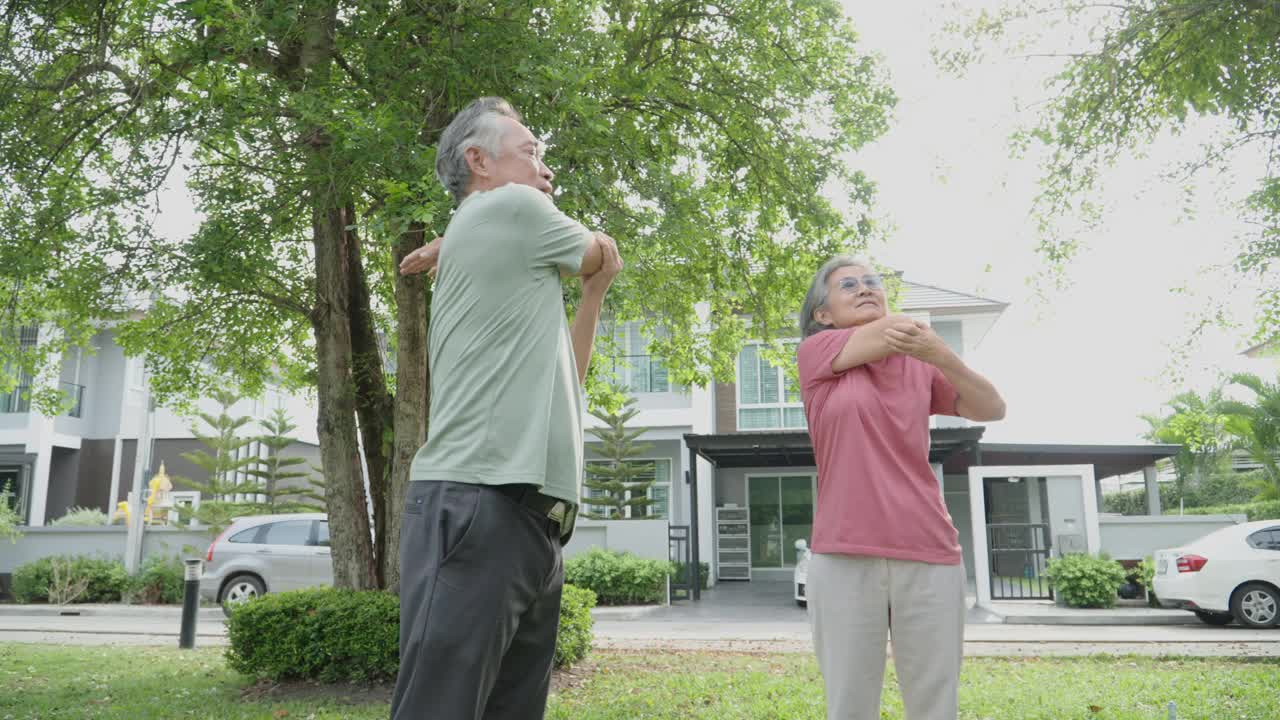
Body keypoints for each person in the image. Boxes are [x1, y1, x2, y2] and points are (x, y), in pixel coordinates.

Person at [392, 96, 621, 720]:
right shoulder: (515, 209)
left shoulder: (509, 247)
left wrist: (591, 301)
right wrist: (596, 255)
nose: (546, 171)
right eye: (531, 153)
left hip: (529, 518)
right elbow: (602, 251)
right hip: (479, 501)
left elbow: (567, 384)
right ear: (478, 160)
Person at [796, 256, 1006, 720]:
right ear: (822, 314)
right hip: (843, 553)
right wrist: (918, 334)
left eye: (873, 281)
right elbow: (890, 332)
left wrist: (939, 354)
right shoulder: (817, 353)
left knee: (935, 704)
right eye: (848, 284)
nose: (866, 288)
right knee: (849, 705)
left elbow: (992, 408)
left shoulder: (918, 365)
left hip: (929, 549)